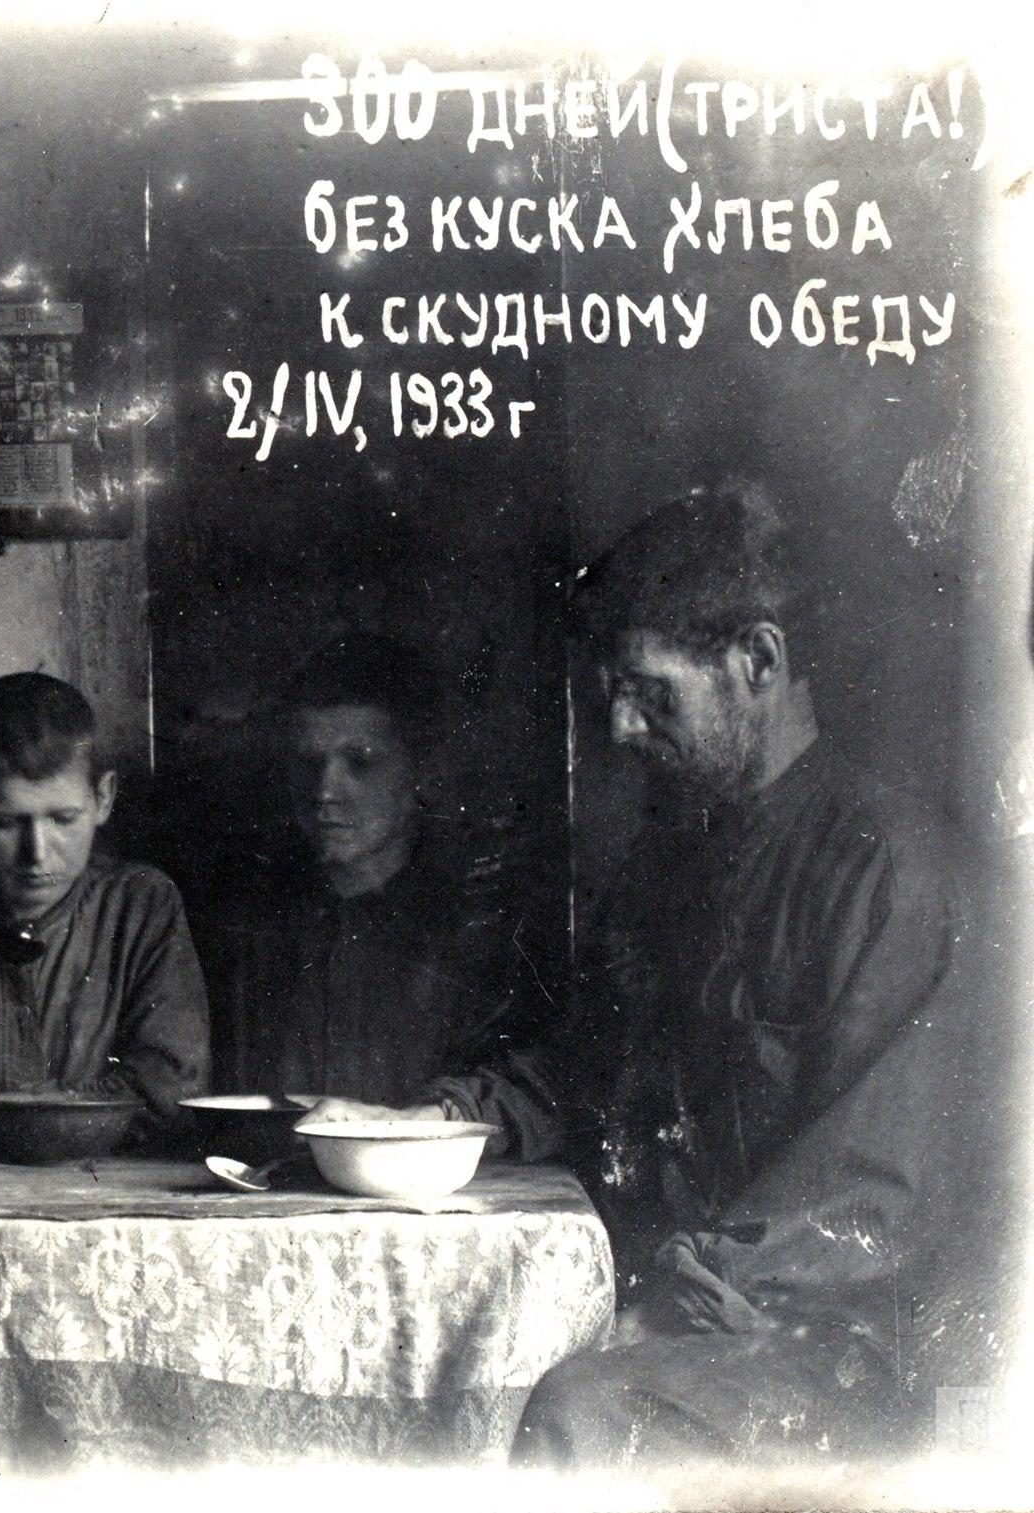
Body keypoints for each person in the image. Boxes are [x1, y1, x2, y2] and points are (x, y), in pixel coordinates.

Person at [307, 485, 971, 1464]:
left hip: (833, 1346)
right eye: (610, 694)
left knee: (574, 1410)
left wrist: (664, 1303)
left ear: (758, 661)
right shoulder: (670, 858)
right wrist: (451, 1116)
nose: (617, 728)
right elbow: (587, 1063)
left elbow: (873, 1200)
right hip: (686, 1303)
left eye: (650, 692)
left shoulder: (889, 870)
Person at [199, 635, 557, 1137]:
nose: (325, 791)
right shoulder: (251, 919)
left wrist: (430, 1119)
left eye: (361, 763)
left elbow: (548, 1084)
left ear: (421, 770)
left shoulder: (481, 919)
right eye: (308, 764)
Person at [0, 671, 209, 1134]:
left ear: (104, 799)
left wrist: (4, 1120)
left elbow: (170, 1090)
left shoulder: (140, 905)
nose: (38, 855)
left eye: (64, 819)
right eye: (7, 822)